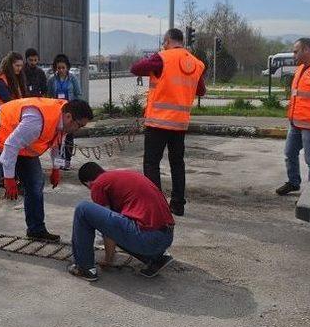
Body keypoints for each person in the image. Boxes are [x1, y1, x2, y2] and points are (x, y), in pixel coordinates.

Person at [0, 98, 94, 252]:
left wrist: (56, 168)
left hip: (20, 143)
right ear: (68, 117)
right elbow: (10, 147)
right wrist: (9, 179)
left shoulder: (63, 118)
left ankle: (36, 229)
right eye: (79, 125)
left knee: (35, 183)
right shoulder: (36, 122)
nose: (78, 129)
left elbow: (58, 141)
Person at [130, 28, 206, 216]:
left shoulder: (162, 58)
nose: (163, 45)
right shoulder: (196, 63)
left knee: (151, 164)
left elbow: (135, 69)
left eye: (164, 42)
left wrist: (156, 57)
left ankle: (157, 205)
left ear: (167, 41)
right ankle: (178, 204)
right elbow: (201, 91)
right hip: (179, 124)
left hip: (158, 123)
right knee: (177, 163)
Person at [68, 162, 175, 281]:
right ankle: (158, 258)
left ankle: (84, 267)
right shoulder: (119, 176)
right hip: (166, 236)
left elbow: (107, 229)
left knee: (83, 209)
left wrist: (108, 260)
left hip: (146, 237)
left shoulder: (98, 184)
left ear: (87, 183)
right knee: (122, 222)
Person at [276, 38, 310, 195]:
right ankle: (293, 182)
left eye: (296, 51)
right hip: (296, 123)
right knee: (289, 153)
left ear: (307, 50)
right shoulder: (301, 69)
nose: (294, 55)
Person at [47, 54, 82, 170]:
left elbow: (78, 94)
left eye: (63, 67)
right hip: (57, 112)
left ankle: (67, 160)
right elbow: (49, 95)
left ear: (67, 67)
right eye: (59, 68)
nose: (61, 70)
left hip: (70, 111)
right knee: (57, 137)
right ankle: (59, 161)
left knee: (69, 136)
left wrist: (76, 109)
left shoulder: (73, 79)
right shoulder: (52, 80)